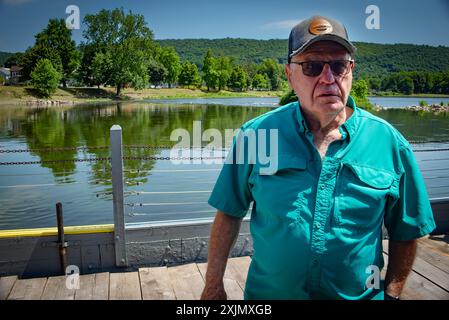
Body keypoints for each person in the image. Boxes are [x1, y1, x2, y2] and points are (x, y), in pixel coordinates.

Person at [200, 16, 436, 300]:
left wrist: (393, 294)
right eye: (312, 66)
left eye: (338, 65)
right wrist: (213, 286)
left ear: (351, 70)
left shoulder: (390, 144)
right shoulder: (256, 135)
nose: (328, 78)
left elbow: (407, 229)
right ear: (290, 75)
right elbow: (228, 213)